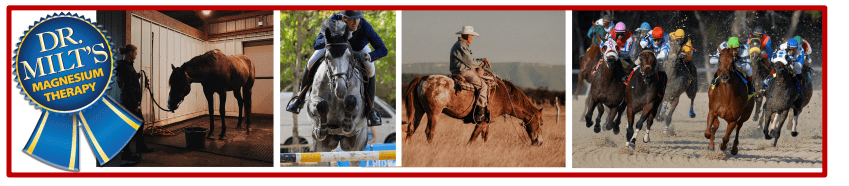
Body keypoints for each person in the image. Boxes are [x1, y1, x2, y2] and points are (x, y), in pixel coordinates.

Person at [286, 10, 386, 127]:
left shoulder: (364, 26)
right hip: (334, 47)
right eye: (352, 19)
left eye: (358, 18)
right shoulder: (333, 21)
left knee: (370, 69)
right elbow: (316, 44)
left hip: (358, 50)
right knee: (311, 62)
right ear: (343, 18)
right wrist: (331, 39)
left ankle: (371, 109)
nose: (355, 22)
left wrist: (367, 56)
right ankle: (300, 99)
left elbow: (383, 50)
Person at [114, 44, 153, 165]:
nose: (136, 55)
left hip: (130, 101)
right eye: (135, 53)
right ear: (130, 53)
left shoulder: (127, 67)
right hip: (129, 102)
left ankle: (140, 147)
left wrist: (138, 75)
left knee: (139, 123)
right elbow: (127, 88)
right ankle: (126, 152)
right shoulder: (125, 68)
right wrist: (135, 104)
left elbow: (129, 81)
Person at [451, 26, 491, 123]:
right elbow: (470, 62)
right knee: (483, 86)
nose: (472, 38)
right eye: (471, 36)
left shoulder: (459, 45)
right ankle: (480, 114)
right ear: (467, 36)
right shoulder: (462, 45)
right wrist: (482, 62)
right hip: (463, 72)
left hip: (458, 70)